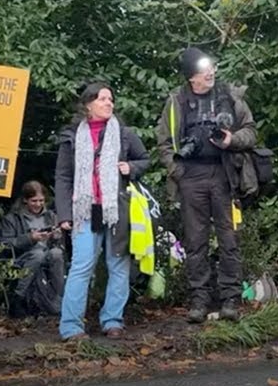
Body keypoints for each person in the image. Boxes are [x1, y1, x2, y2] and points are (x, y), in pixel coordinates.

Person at [155, 47, 258, 323]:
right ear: (191, 77)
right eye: (203, 70)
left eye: (211, 67)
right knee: (195, 241)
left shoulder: (230, 96)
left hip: (224, 175)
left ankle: (231, 300)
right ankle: (198, 301)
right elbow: (164, 143)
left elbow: (251, 132)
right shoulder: (176, 102)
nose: (210, 72)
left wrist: (231, 140)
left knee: (229, 239)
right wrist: (177, 171)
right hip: (190, 177)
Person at [55, 82, 150, 340]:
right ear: (88, 105)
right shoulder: (71, 136)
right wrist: (64, 214)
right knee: (81, 266)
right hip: (84, 211)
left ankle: (112, 321)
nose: (109, 103)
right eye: (102, 99)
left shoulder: (125, 134)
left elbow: (144, 159)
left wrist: (131, 168)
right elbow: (63, 177)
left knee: (118, 264)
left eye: (111, 99)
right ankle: (71, 327)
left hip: (117, 209)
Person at [0, 180, 66, 318]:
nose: (38, 204)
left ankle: (60, 298)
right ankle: (18, 297)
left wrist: (56, 236)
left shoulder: (51, 216)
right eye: (34, 201)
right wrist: (30, 238)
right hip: (23, 257)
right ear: (25, 200)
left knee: (57, 253)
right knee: (37, 254)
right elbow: (4, 245)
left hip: (47, 253)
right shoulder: (12, 218)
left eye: (41, 201)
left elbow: (60, 245)